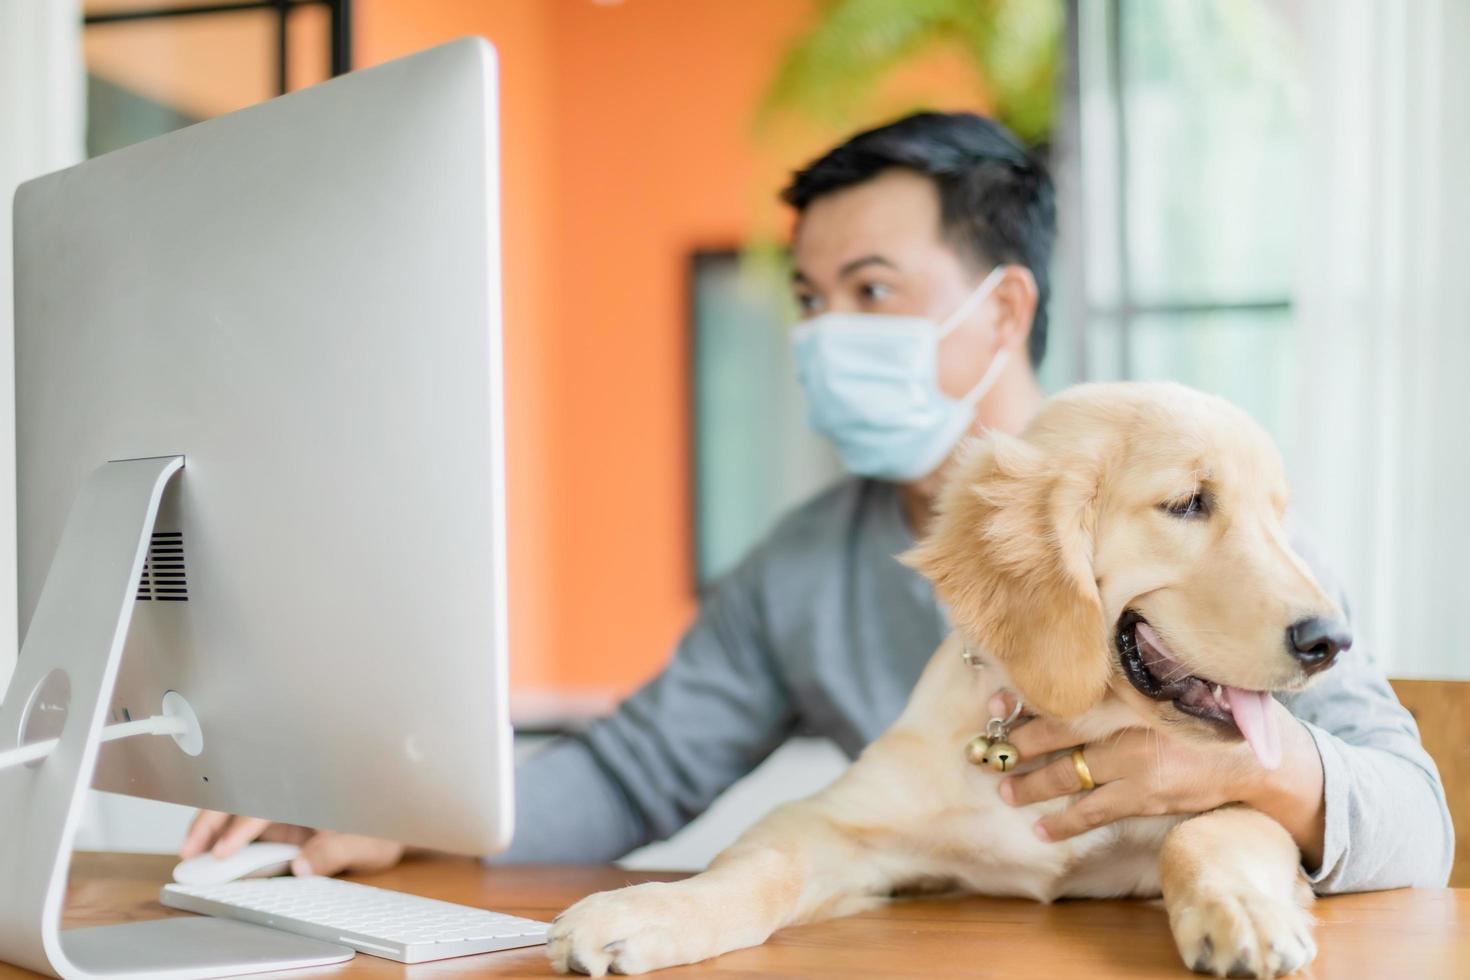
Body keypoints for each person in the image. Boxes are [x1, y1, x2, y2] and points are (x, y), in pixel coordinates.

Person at [183, 112, 1453, 893]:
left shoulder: (1222, 525)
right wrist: (401, 811)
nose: (823, 334)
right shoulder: (803, 565)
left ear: (1000, 310)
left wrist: (1269, 775)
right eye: (807, 299)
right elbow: (634, 773)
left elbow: (1414, 821)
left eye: (871, 290)